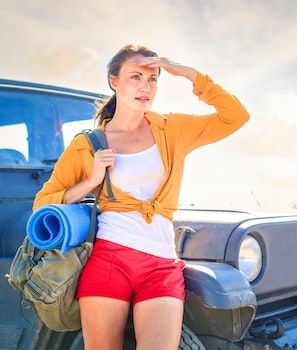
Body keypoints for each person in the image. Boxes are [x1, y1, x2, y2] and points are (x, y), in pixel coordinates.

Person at [33, 44, 250, 350]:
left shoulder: (172, 129)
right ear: (114, 81)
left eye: (153, 79)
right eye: (135, 77)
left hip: (161, 266)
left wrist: (188, 74)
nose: (145, 87)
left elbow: (236, 117)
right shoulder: (86, 145)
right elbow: (43, 205)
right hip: (109, 261)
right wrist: (92, 181)